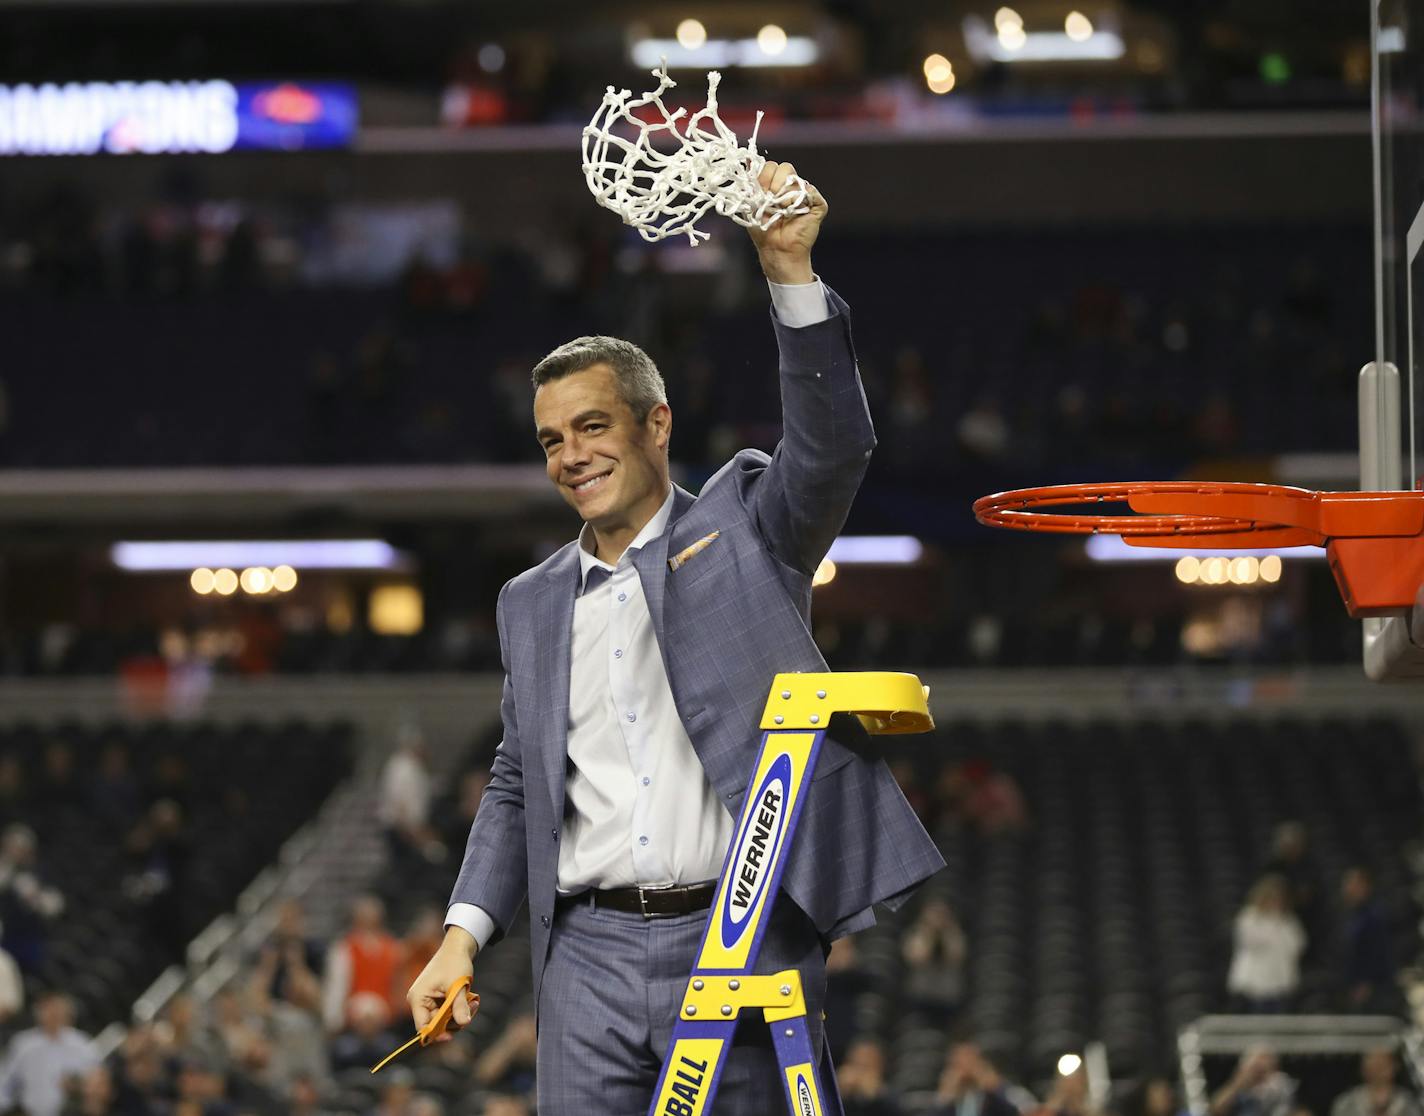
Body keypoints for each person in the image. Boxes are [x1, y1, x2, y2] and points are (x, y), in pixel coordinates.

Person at [406, 162, 944, 1114]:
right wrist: (460, 936)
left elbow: (830, 452)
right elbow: (517, 785)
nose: (572, 455)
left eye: (595, 425)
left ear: (658, 425)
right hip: (586, 958)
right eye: (551, 439)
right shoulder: (528, 602)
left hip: (737, 942)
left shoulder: (743, 531)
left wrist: (788, 271)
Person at [0, 991, 100, 1116]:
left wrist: (79, 1086)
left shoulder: (82, 1044)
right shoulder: (23, 1044)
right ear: (38, 1012)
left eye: (58, 1009)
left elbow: (98, 1083)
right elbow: (4, 1082)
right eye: (48, 1009)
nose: (53, 1014)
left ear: (68, 1012)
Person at [1227, 876, 1306, 1012]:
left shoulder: (1288, 920)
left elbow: (1298, 944)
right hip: (1255, 983)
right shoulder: (1249, 918)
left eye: (1278, 898)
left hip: (1280, 981)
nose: (1275, 902)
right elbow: (1252, 942)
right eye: (1271, 898)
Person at [1338, 867, 1395, 1013]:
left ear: (1366, 887)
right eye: (1348, 883)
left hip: (1370, 986)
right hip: (1351, 982)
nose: (1349, 888)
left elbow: (1378, 951)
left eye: (1354, 884)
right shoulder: (1348, 913)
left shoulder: (1374, 915)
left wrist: (1366, 983)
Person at [1330, 1050, 1421, 1116]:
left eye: (1382, 1065)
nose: (1378, 1070)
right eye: (1373, 1064)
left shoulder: (1408, 1104)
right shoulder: (1346, 1104)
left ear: (1394, 1066)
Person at [1210, 1048, 1296, 1116]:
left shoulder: (1280, 1087)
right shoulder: (1238, 1087)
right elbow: (1216, 1110)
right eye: (1255, 1067)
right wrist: (1237, 1084)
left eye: (1264, 1069)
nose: (1258, 1072)